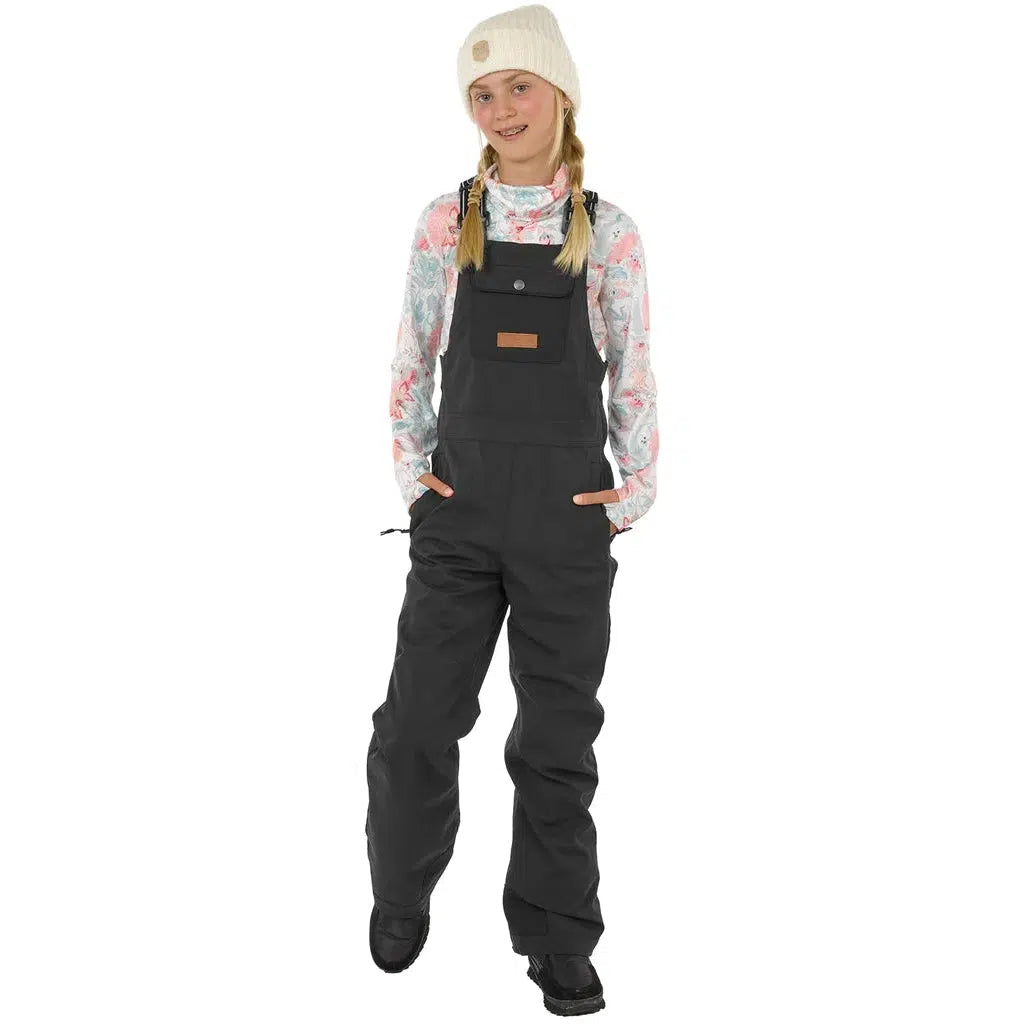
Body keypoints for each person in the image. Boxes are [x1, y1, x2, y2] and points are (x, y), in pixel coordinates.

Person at [366, 4, 658, 1015]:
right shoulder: (445, 221)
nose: (500, 109)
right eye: (481, 94)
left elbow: (633, 369)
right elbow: (411, 353)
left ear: (560, 92)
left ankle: (557, 935)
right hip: (459, 515)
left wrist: (633, 489)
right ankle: (400, 892)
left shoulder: (609, 232)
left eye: (518, 87)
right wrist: (413, 474)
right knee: (416, 721)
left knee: (557, 743)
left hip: (566, 522)